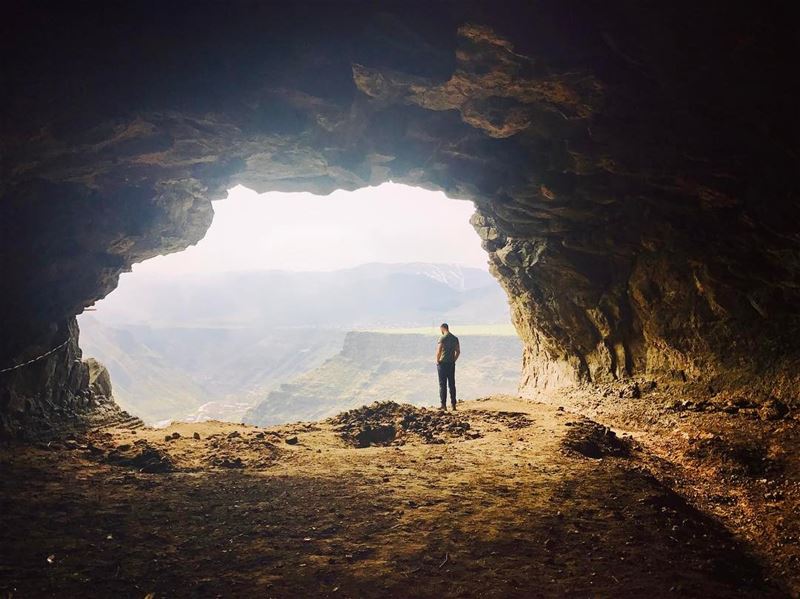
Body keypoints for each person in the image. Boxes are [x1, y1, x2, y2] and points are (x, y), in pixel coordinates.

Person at [435, 323, 460, 410]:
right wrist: (453, 360)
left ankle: (443, 405)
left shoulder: (443, 338)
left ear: (442, 328)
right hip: (451, 364)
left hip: (443, 364)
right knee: (452, 384)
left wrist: (437, 361)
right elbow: (458, 351)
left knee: (442, 385)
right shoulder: (455, 338)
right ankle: (453, 405)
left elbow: (439, 351)